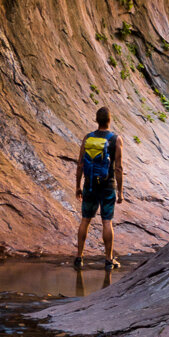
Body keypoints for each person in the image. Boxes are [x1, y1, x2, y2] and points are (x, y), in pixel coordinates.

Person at [74, 105, 123, 268]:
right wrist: (121, 191)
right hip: (107, 186)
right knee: (107, 222)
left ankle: (79, 257)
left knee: (85, 220)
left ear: (96, 120)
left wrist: (78, 186)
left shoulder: (88, 138)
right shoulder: (115, 139)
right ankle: (109, 260)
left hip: (89, 186)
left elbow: (80, 164)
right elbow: (118, 168)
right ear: (110, 120)